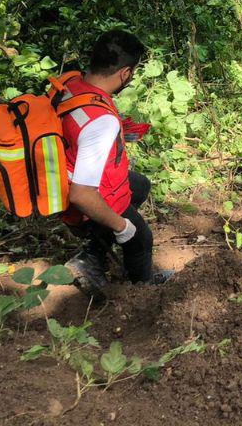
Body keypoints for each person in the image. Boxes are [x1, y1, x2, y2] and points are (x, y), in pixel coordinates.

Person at [63, 30, 171, 296]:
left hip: (62, 174)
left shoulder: (71, 86)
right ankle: (141, 294)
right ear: (125, 73)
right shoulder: (101, 122)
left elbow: (78, 128)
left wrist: (118, 131)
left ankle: (94, 254)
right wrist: (121, 227)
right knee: (140, 239)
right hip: (80, 196)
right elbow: (81, 194)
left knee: (140, 185)